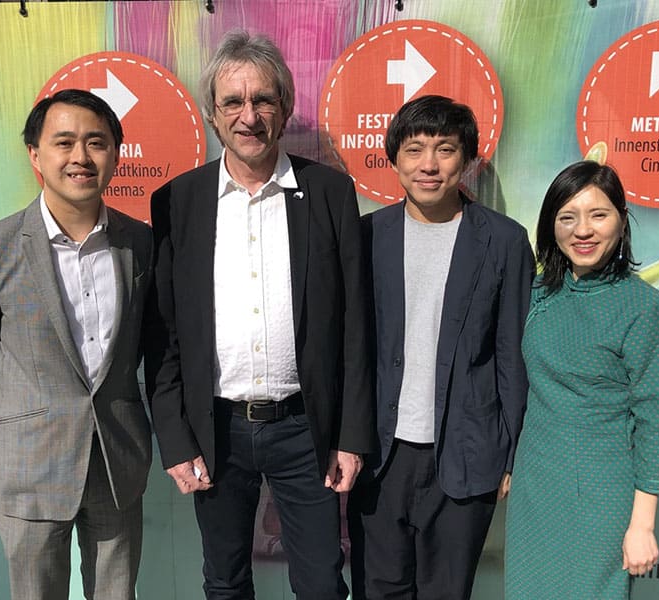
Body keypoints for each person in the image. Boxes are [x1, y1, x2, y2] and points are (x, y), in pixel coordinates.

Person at [147, 30, 373, 600]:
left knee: (322, 584)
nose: (249, 116)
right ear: (213, 116)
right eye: (233, 102)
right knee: (224, 582)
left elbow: (353, 327)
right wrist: (175, 440)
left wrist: (350, 436)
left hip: (306, 430)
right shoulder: (178, 201)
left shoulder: (329, 193)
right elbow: (166, 335)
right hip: (215, 428)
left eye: (263, 100)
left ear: (285, 108)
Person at [0, 89, 154, 600]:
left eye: (96, 143)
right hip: (29, 467)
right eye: (64, 142)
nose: (80, 157)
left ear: (116, 154)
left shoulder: (141, 244)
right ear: (35, 154)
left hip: (117, 461)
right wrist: (30, 411)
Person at [347, 95, 535, 600]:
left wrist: (513, 454)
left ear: (467, 159)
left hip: (469, 455)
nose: (429, 165)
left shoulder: (505, 241)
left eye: (445, 149)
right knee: (377, 590)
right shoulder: (365, 237)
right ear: (394, 159)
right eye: (415, 150)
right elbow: (349, 351)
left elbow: (513, 355)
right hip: (380, 456)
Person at [505, 160, 659, 599]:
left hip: (602, 496)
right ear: (551, 227)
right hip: (534, 490)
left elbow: (656, 423)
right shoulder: (536, 296)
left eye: (598, 215)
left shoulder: (646, 309)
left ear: (621, 220)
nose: (582, 230)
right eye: (568, 217)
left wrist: (642, 525)